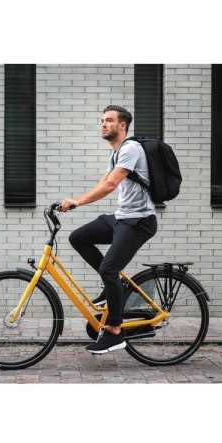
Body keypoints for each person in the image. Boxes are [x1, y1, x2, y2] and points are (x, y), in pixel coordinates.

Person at [60, 105, 157, 354]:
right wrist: (72, 201)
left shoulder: (130, 149)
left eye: (109, 120)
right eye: (102, 120)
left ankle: (115, 331)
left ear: (122, 126)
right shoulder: (116, 153)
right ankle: (116, 287)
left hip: (139, 221)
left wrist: (78, 202)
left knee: (108, 269)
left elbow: (111, 185)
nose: (103, 124)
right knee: (78, 237)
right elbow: (102, 182)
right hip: (121, 218)